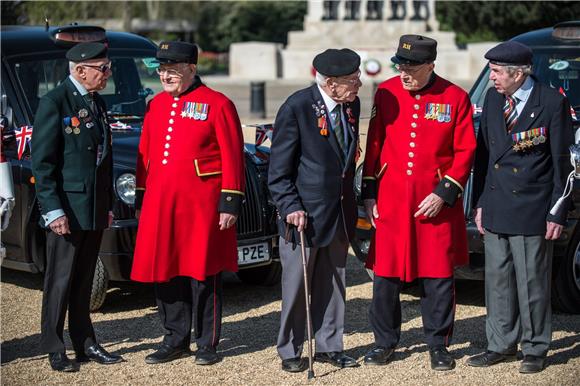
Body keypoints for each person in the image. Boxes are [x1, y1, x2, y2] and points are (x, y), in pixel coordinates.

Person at [361, 34, 476, 370]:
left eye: (411, 65)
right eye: (400, 64)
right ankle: (384, 342)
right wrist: (369, 193)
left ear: (431, 65)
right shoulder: (386, 92)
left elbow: (465, 150)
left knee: (437, 276)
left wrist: (444, 192)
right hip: (392, 201)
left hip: (434, 204)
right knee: (385, 277)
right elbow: (375, 145)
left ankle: (438, 344)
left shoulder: (455, 97)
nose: (404, 72)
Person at [130, 41, 245, 366]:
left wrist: (230, 202)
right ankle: (174, 338)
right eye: (162, 69)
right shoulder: (156, 105)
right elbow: (146, 154)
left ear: (191, 69)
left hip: (201, 206)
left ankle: (206, 343)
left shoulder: (218, 104)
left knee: (203, 272)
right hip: (161, 205)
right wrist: (141, 196)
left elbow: (233, 156)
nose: (165, 75)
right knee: (164, 271)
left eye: (172, 69)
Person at [467, 41, 573, 374]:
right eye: (493, 72)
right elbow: (484, 159)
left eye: (497, 72)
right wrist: (480, 203)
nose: (493, 78)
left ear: (517, 73)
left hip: (532, 206)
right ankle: (499, 343)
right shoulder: (492, 99)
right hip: (497, 203)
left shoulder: (551, 103)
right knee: (497, 280)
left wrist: (558, 210)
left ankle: (535, 347)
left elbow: (563, 165)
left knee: (532, 282)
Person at [268, 48, 362, 373]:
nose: (359, 84)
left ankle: (330, 345)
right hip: (303, 215)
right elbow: (278, 170)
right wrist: (290, 205)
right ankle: (290, 349)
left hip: (338, 210)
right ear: (332, 83)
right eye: (353, 80)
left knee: (334, 282)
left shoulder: (351, 105)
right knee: (296, 285)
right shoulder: (297, 107)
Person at [31, 42, 123, 372]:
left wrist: (107, 205)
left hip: (93, 207)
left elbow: (103, 158)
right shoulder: (54, 101)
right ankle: (55, 346)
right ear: (80, 70)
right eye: (103, 68)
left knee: (84, 280)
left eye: (108, 67)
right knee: (60, 279)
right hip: (67, 209)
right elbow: (42, 162)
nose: (107, 73)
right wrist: (52, 210)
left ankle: (85, 342)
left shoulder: (95, 102)